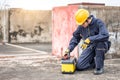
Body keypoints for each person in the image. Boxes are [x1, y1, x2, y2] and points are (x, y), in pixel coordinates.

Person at [63, 9, 111, 75]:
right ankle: (95, 62)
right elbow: (75, 37)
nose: (82, 25)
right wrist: (69, 49)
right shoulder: (81, 27)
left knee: (100, 44)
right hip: (90, 47)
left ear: (87, 19)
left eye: (82, 23)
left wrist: (90, 39)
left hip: (102, 45)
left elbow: (105, 35)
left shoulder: (98, 22)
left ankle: (99, 67)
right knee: (79, 66)